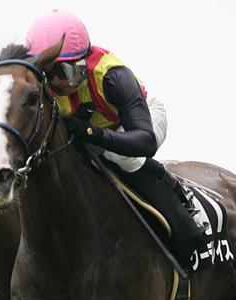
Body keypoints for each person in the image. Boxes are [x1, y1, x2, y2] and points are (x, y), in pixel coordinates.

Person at [26, 10, 204, 269]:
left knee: (120, 156)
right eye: (48, 73)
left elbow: (145, 142)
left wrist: (92, 133)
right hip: (100, 132)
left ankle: (172, 185)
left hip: (142, 122)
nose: (57, 82)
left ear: (83, 62)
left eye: (64, 71)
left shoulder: (112, 76)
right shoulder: (41, 87)